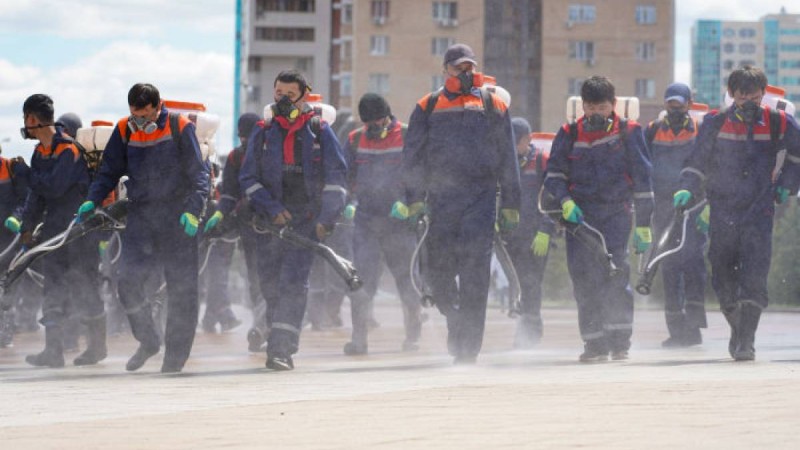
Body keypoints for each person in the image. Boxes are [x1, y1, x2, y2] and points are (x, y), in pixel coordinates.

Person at [78, 83, 210, 373]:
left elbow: (200, 175)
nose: (141, 122)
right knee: (126, 281)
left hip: (178, 219)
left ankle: (174, 360)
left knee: (182, 291)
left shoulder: (179, 127)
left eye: (146, 117)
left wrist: (193, 211)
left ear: (158, 106)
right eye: (135, 116)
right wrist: (92, 199)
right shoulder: (125, 129)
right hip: (142, 217)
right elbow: (108, 170)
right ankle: (148, 339)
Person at [402, 43, 520, 364]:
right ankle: (454, 318)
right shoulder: (427, 106)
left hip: (480, 199)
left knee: (475, 275)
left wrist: (511, 202)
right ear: (445, 70)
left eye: (469, 67)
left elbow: (508, 158)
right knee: (438, 274)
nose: (465, 73)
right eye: (458, 68)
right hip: (440, 200)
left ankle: (468, 350)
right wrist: (413, 200)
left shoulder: (493, 104)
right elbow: (412, 157)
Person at [674, 66, 800, 361]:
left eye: (754, 98)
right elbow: (696, 162)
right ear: (731, 95)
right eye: (742, 98)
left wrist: (787, 183)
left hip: (759, 211)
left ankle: (747, 341)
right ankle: (738, 327)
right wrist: (687, 187)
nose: (747, 104)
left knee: (754, 275)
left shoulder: (778, 122)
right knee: (722, 276)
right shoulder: (715, 123)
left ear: (763, 95)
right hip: (722, 210)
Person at [239, 69, 347, 370]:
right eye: (278, 94)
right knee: (270, 285)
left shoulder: (320, 130)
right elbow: (248, 177)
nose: (283, 100)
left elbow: (336, 178)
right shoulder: (263, 131)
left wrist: (327, 217)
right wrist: (271, 207)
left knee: (293, 282)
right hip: (269, 223)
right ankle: (281, 335)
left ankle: (280, 350)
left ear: (303, 95)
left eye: (289, 95)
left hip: (305, 222)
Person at [544, 76, 654, 362]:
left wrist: (643, 225)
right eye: (590, 107)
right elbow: (554, 176)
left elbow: (643, 181)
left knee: (616, 276)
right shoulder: (569, 134)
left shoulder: (629, 133)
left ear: (613, 105)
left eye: (601, 107)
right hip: (579, 220)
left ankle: (620, 343)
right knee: (584, 281)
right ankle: (594, 344)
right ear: (583, 106)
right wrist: (565, 202)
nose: (595, 113)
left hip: (617, 215)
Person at [13, 94, 106, 367]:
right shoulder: (40, 152)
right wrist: (27, 227)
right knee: (52, 289)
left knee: (85, 286)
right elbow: (36, 194)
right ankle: (53, 351)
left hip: (78, 231)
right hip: (54, 231)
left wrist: (25, 173)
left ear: (32, 119)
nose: (24, 124)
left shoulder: (69, 150)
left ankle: (97, 346)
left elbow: (53, 186)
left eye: (25, 119)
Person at [340, 93, 422, 355]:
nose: (376, 127)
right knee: (360, 282)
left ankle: (413, 337)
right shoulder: (354, 140)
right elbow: (344, 177)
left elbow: (421, 176)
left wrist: (410, 204)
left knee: (407, 281)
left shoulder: (408, 136)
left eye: (380, 121)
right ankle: (359, 340)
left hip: (399, 222)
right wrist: (349, 202)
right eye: (371, 124)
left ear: (388, 115)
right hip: (366, 222)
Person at [645, 83, 707, 348]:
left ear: (689, 104)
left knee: (693, 263)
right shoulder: (652, 131)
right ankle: (676, 330)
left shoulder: (701, 129)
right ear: (664, 104)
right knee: (668, 267)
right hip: (662, 207)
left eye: (680, 105)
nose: (675, 109)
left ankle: (693, 329)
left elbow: (708, 164)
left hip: (693, 206)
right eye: (671, 104)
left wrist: (707, 203)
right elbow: (644, 164)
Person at [203, 113, 261, 345]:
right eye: (243, 136)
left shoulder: (269, 153)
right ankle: (259, 327)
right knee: (255, 278)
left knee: (264, 278)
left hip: (271, 222)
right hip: (246, 228)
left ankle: (262, 326)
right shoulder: (236, 157)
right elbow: (229, 192)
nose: (246, 140)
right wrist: (221, 212)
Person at [506, 117, 555, 348]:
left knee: (531, 283)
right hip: (511, 236)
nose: (514, 147)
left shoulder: (542, 162)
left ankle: (530, 335)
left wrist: (546, 230)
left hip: (537, 237)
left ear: (528, 139)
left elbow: (552, 199)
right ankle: (526, 329)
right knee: (519, 284)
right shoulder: (506, 163)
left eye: (518, 142)